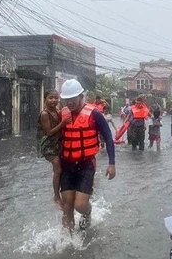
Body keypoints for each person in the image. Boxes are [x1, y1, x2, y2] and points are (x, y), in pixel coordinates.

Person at [59, 79, 116, 231]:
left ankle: (88, 212)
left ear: (81, 96)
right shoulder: (62, 114)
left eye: (73, 99)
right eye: (67, 100)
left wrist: (112, 164)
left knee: (80, 205)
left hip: (86, 164)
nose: (70, 102)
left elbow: (108, 137)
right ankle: (68, 241)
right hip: (67, 164)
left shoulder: (94, 113)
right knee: (67, 205)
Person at [37, 90, 72, 209]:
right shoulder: (44, 114)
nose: (54, 100)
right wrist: (62, 123)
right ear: (45, 99)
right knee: (57, 168)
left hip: (58, 143)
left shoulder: (58, 111)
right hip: (48, 145)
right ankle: (56, 196)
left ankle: (65, 190)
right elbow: (49, 132)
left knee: (63, 168)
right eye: (50, 98)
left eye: (56, 98)